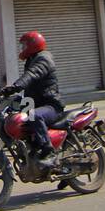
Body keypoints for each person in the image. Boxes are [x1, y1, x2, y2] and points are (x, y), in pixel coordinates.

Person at [8, 31, 64, 165]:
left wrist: (16, 86)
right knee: (13, 112)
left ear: (32, 45)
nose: (22, 49)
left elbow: (32, 74)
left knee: (34, 115)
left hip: (51, 105)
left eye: (24, 45)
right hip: (35, 102)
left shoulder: (44, 59)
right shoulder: (31, 59)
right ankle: (31, 148)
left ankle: (48, 151)